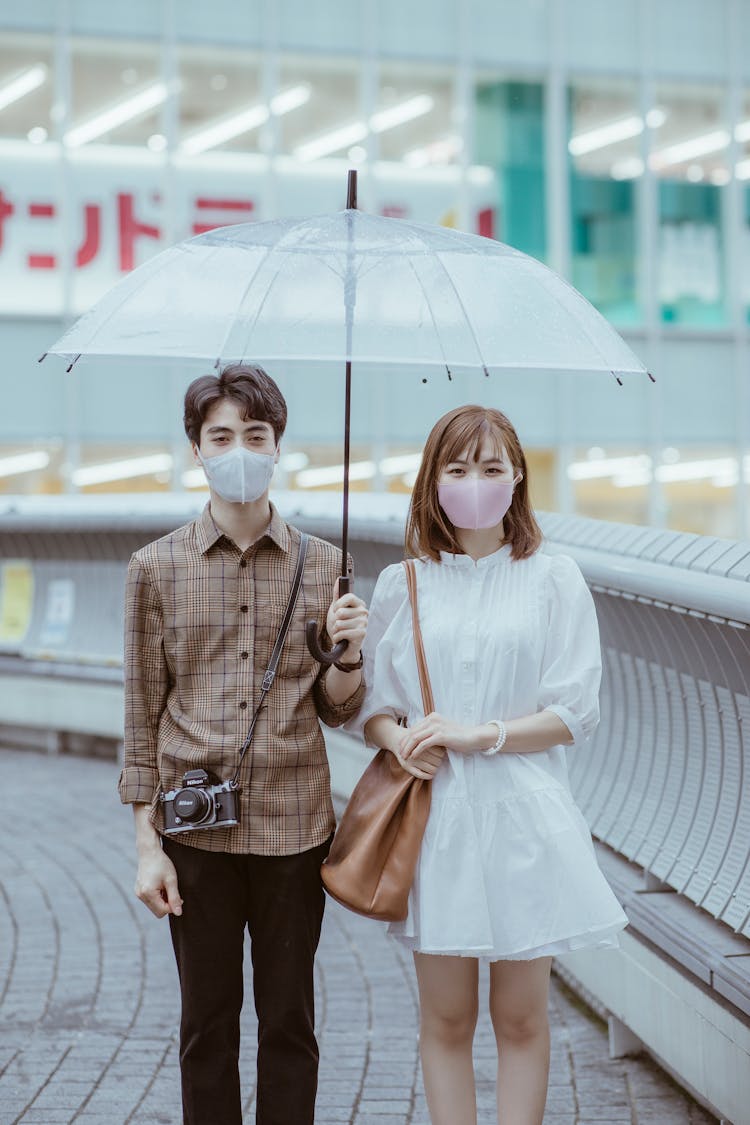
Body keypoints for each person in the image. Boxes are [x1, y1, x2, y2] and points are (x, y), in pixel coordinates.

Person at [354, 404, 627, 1125]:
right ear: (432, 480)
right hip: (435, 819)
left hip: (523, 820)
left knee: (521, 1018)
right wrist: (398, 738)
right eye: (458, 467)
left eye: (491, 466)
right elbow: (373, 707)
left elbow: (577, 711)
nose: (474, 481)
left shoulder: (554, 577)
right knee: (445, 1021)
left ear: (517, 478)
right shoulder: (401, 584)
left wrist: (485, 734)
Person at [119, 363, 368, 1125]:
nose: (239, 449)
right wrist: (147, 847)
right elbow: (140, 713)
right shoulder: (154, 569)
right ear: (196, 448)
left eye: (254, 435)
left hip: (297, 829)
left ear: (277, 446)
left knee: (290, 1024)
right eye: (221, 435)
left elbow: (337, 707)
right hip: (195, 831)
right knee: (205, 1028)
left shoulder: (327, 565)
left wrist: (349, 652)